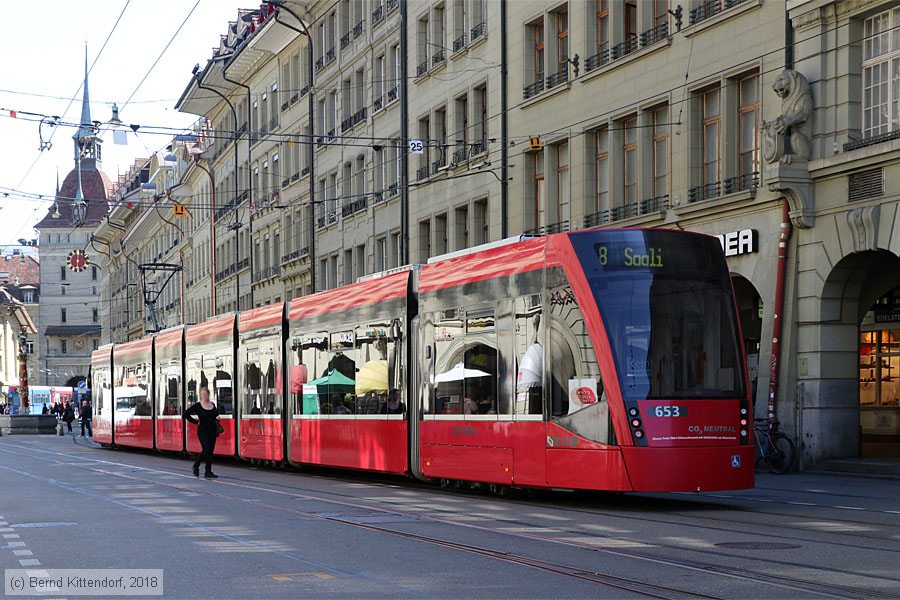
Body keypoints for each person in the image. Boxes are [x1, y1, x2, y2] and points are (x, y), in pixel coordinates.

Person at [182, 387, 220, 479]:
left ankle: (208, 471)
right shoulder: (198, 406)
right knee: (206, 449)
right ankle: (196, 465)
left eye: (205, 394)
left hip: (213, 430)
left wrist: (217, 418)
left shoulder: (212, 405)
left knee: (210, 451)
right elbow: (185, 414)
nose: (204, 396)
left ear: (209, 394)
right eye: (202, 394)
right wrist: (196, 422)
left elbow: (216, 415)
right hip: (203, 431)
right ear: (200, 395)